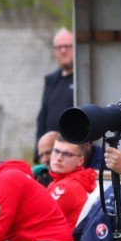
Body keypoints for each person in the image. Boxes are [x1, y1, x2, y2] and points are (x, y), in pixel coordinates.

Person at [35, 28, 74, 159]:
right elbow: (43, 117)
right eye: (59, 47)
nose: (63, 51)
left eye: (67, 46)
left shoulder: (82, 80)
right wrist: (38, 154)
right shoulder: (51, 80)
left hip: (73, 153)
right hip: (50, 155)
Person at [47, 134, 96, 227]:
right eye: (56, 151)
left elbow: (37, 219)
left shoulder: (66, 187)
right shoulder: (62, 181)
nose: (59, 158)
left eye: (67, 154)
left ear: (80, 161)